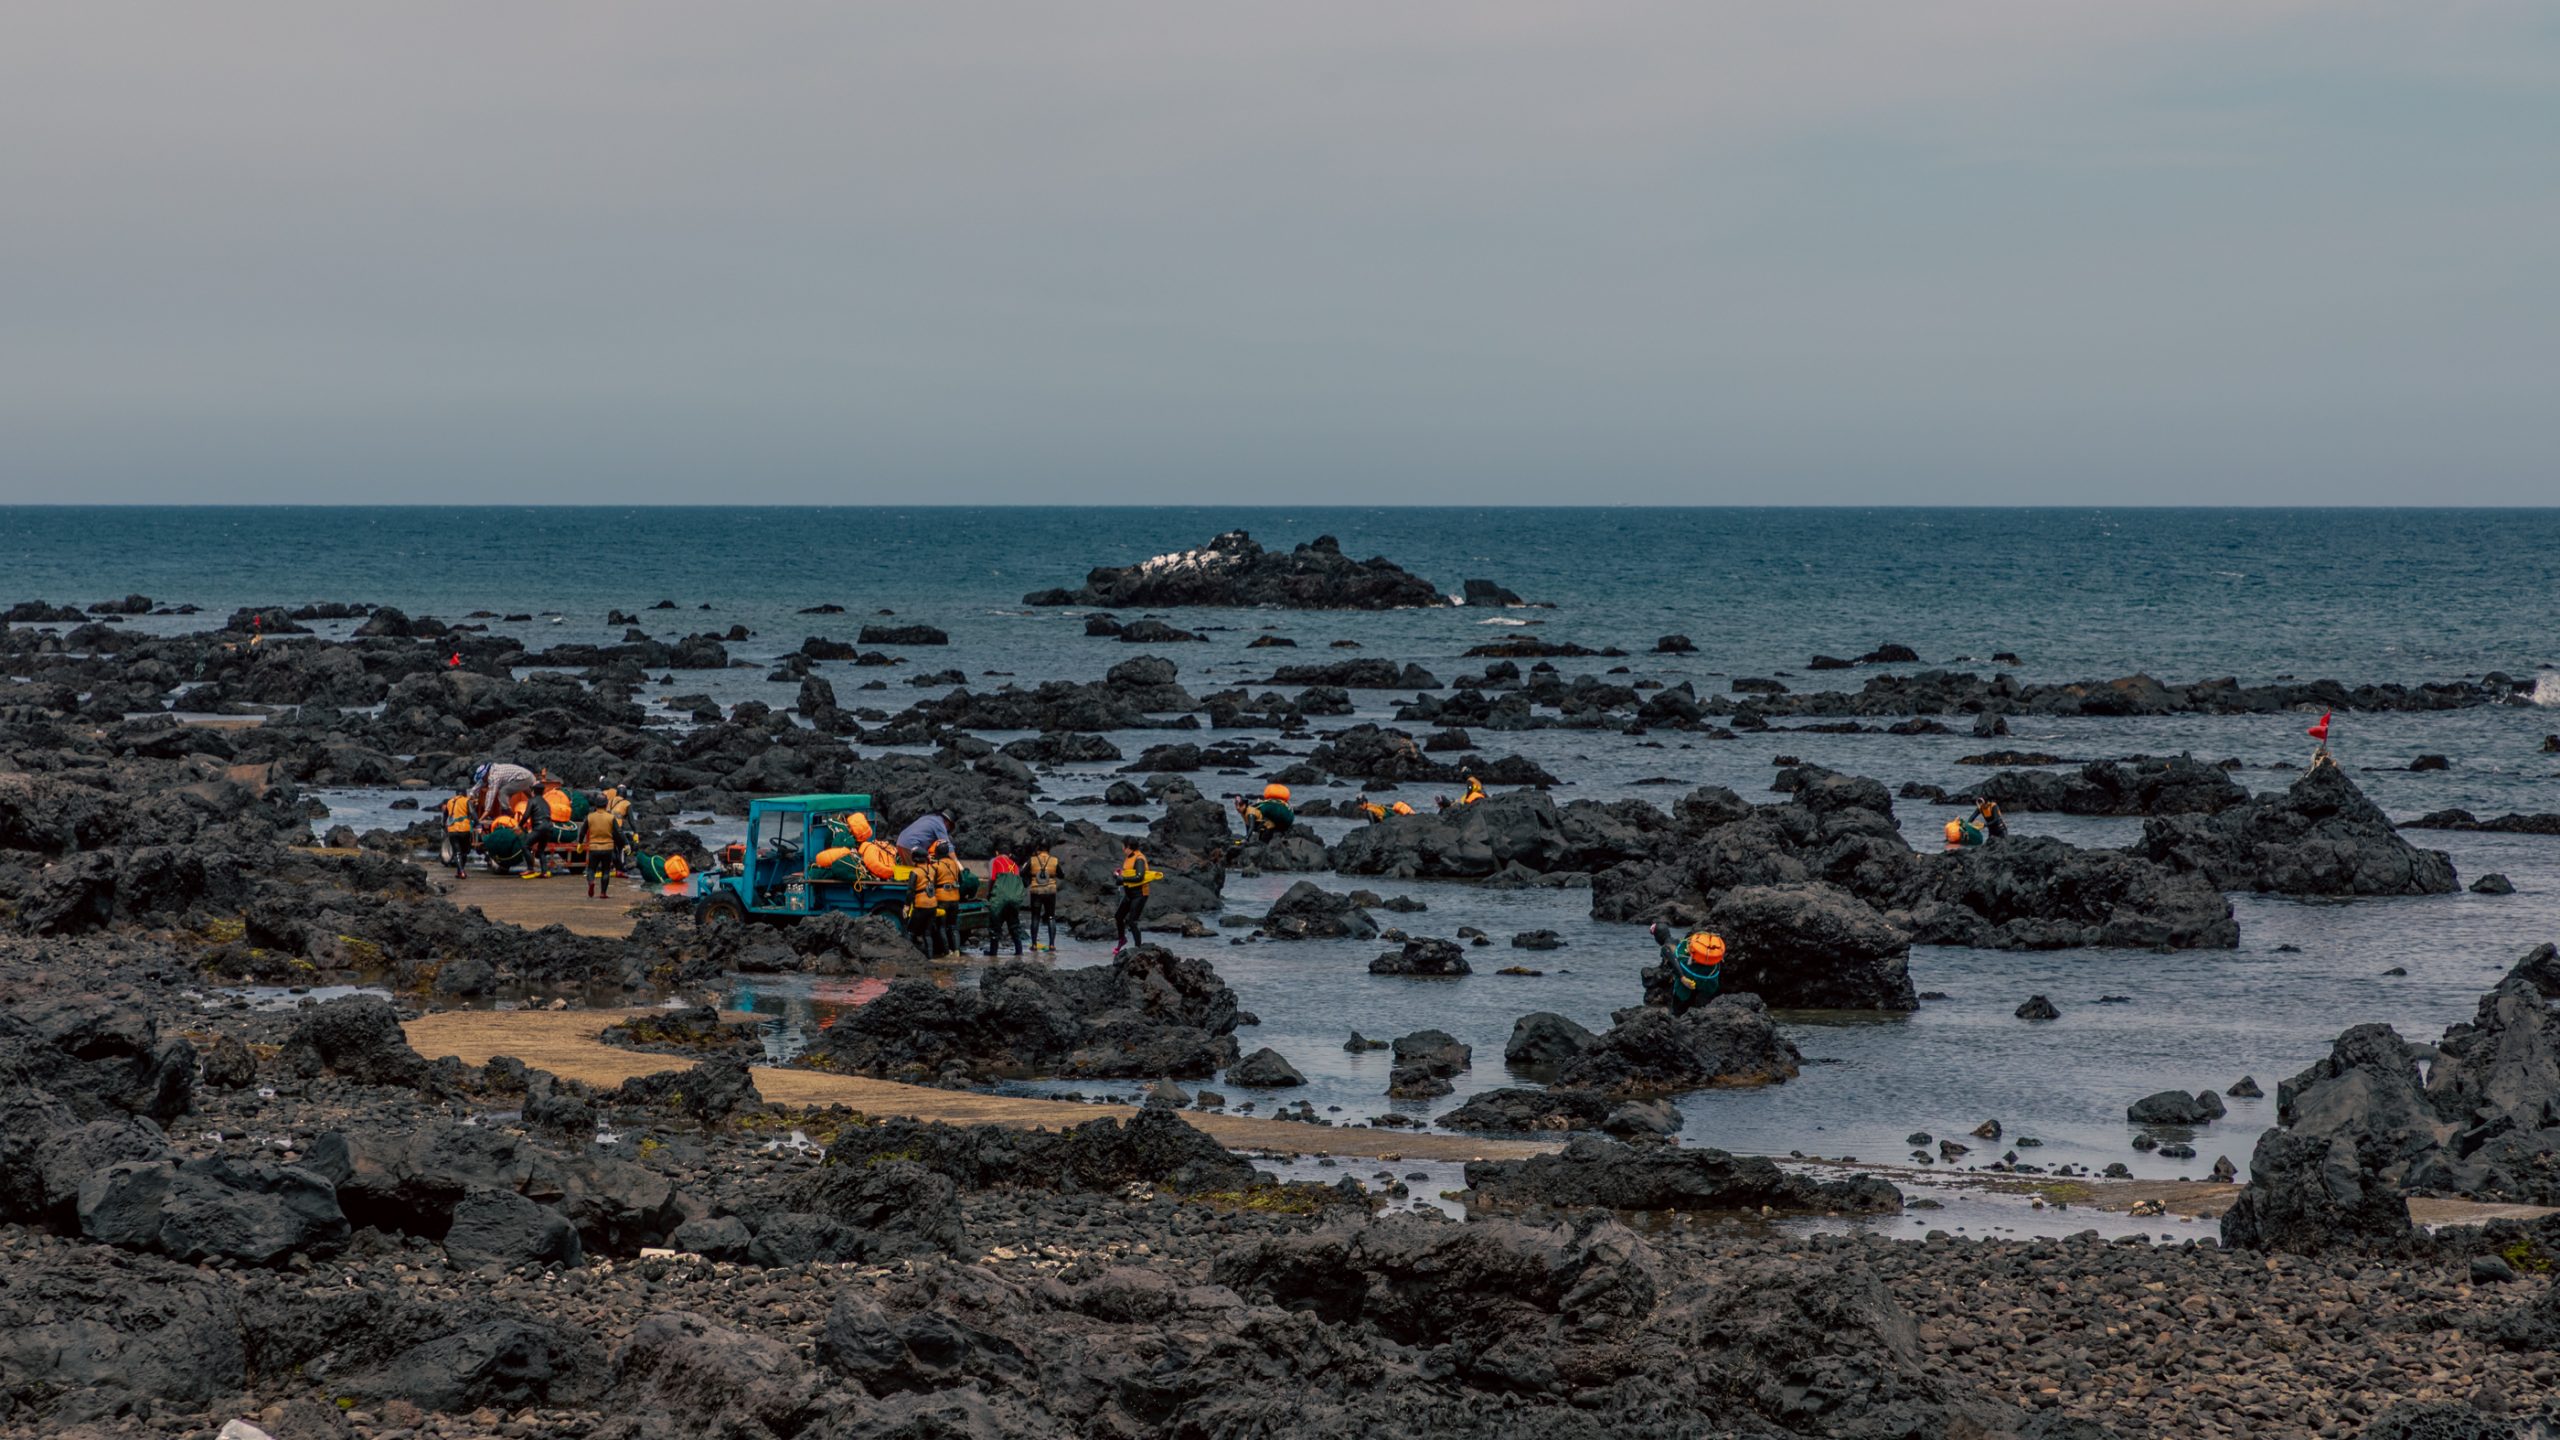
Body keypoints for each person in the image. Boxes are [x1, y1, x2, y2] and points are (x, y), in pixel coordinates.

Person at [1649, 923, 1725, 1016]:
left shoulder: (1665, 948)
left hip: (1685, 978)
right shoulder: (1680, 941)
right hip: (1700, 975)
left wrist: (1682, 978)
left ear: (1658, 936)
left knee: (1678, 1010)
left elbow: (1674, 961)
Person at [984, 854, 1028, 958]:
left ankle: (993, 953)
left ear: (997, 852)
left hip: (1000, 898)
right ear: (1009, 855)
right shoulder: (1014, 865)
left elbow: (993, 879)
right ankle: (1019, 951)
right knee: (1014, 924)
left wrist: (989, 893)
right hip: (1014, 899)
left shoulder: (997, 861)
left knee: (995, 925)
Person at [1114, 838, 1151, 956]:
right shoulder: (1129, 857)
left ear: (1129, 847)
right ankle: (1122, 939)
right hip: (1129, 894)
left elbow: (1139, 877)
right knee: (1118, 916)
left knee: (1132, 922)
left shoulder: (1139, 859)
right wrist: (1120, 874)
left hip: (1140, 894)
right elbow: (1129, 872)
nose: (1122, 849)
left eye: (1124, 847)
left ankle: (1138, 948)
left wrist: (1123, 879)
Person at [1024, 841, 1061, 951]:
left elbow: (1022, 872)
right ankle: (1052, 945)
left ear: (1038, 849)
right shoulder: (1054, 860)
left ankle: (1034, 944)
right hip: (1050, 891)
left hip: (1036, 891)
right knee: (1051, 917)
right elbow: (1062, 874)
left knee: (1035, 917)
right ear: (1049, 849)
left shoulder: (1032, 860)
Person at [929, 840, 965, 957]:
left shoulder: (936, 866)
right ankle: (957, 951)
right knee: (953, 926)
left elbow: (931, 884)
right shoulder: (955, 865)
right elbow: (961, 880)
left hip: (942, 899)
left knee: (941, 927)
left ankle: (947, 951)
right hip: (955, 898)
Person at [583, 801, 624, 899]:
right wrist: (626, 843)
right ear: (606, 805)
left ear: (596, 805)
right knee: (606, 870)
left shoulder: (590, 817)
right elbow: (619, 831)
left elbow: (583, 831)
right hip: (608, 847)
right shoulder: (610, 817)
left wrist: (580, 842)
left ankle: (591, 882)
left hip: (594, 847)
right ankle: (603, 893)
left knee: (591, 869)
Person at [908, 848, 943, 957]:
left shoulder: (914, 872)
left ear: (915, 859)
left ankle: (908, 955)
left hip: (920, 905)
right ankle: (930, 957)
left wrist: (906, 905)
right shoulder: (932, 869)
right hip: (932, 905)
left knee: (911, 931)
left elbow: (910, 891)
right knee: (927, 933)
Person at [440, 790, 474, 878]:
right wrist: (477, 823)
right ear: (464, 793)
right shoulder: (466, 800)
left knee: (457, 852)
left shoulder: (450, 802)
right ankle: (461, 870)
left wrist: (444, 825)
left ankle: (461, 872)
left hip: (452, 830)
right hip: (465, 829)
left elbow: (445, 816)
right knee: (464, 852)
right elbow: (472, 812)